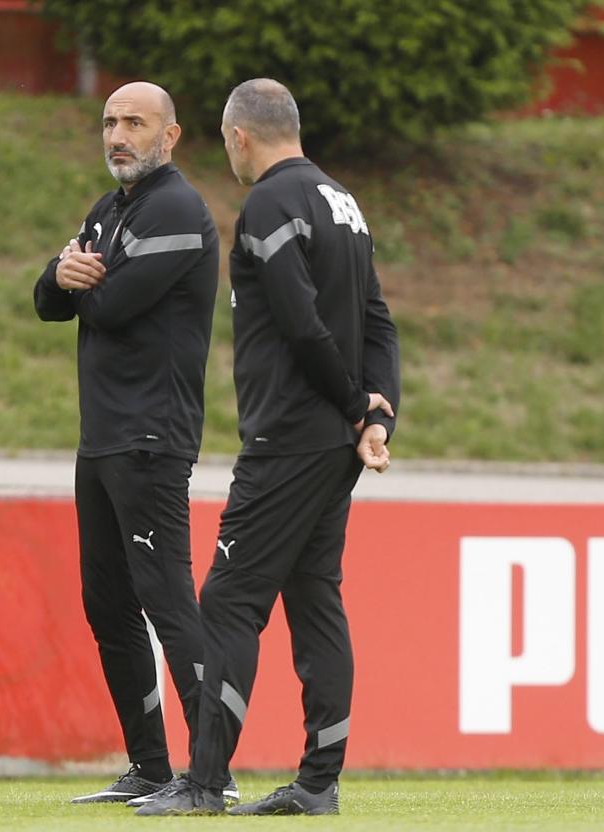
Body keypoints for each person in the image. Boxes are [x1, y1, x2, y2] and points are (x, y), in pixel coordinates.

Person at [136, 78, 400, 817]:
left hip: (287, 439)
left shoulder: (269, 205)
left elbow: (299, 322)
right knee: (316, 599)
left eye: (226, 144)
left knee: (228, 602)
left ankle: (204, 783)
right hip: (334, 445)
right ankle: (319, 782)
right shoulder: (345, 205)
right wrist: (377, 417)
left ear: (239, 136)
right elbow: (378, 322)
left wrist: (354, 406)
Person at [33, 81, 226, 805]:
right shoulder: (111, 210)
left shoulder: (176, 206)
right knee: (108, 603)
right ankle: (149, 767)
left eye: (135, 122)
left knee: (167, 599)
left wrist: (78, 279)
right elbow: (49, 299)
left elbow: (111, 305)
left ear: (169, 136)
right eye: (110, 121)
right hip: (104, 437)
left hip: (151, 434)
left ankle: (212, 775)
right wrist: (64, 275)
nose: (118, 134)